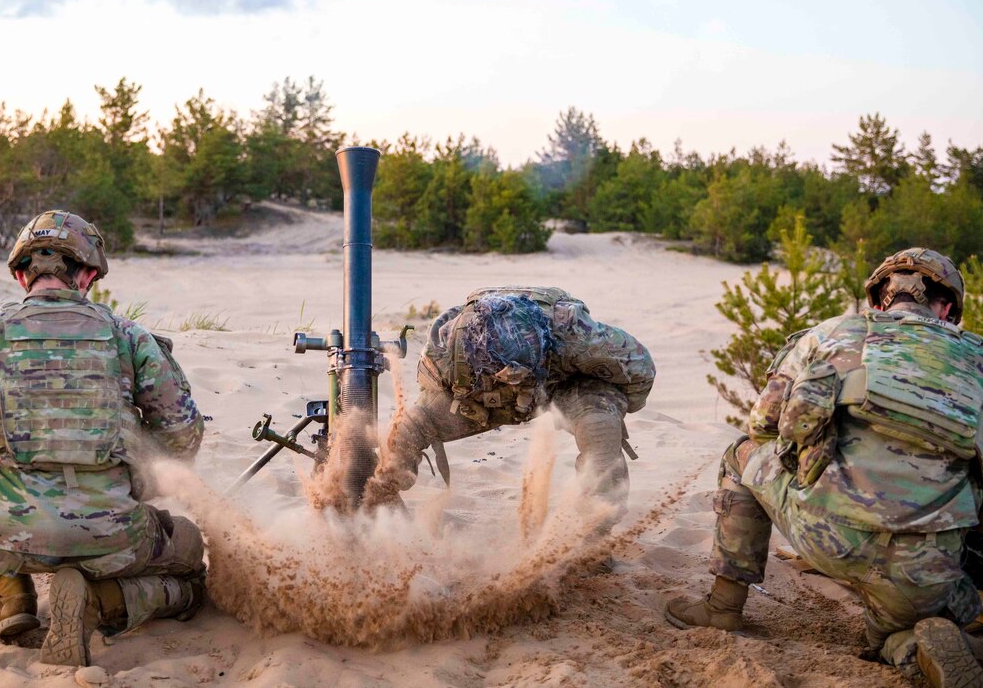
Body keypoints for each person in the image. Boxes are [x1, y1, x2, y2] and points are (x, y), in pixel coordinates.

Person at [664, 248, 983, 687]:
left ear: (878, 299)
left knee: (739, 454)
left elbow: (762, 425)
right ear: (947, 308)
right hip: (925, 563)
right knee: (894, 627)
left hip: (825, 534)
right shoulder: (976, 357)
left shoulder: (830, 333)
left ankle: (722, 608)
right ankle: (912, 637)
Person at [0, 211, 206, 668]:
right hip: (113, 536)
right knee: (189, 560)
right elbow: (182, 436)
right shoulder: (130, 337)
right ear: (88, 274)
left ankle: (10, 594)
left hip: (2, 534)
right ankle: (104, 600)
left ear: (19, 274)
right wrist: (139, 478)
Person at [365, 286, 655, 506]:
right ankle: (380, 507)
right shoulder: (447, 352)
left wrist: (606, 408)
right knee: (406, 431)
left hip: (559, 385)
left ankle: (594, 543)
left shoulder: (574, 334)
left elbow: (640, 370)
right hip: (478, 394)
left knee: (600, 429)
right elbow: (427, 399)